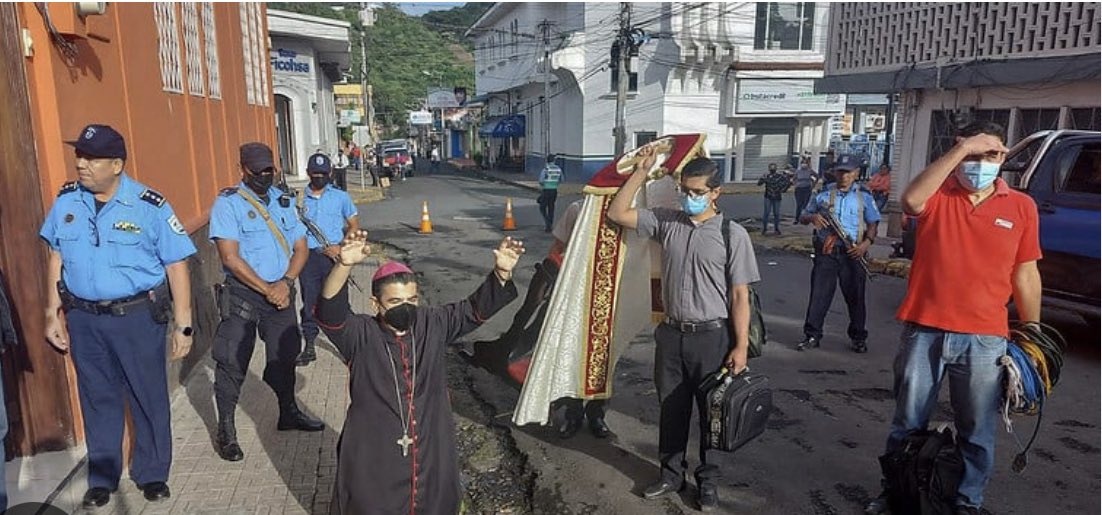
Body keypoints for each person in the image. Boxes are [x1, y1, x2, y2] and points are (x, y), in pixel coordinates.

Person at [865, 122, 1036, 515]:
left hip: (985, 338)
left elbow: (1026, 273)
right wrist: (963, 149)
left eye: (989, 155)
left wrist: (1033, 331)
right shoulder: (939, 192)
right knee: (907, 422)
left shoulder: (1020, 207)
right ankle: (897, 492)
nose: (979, 164)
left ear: (1004, 156)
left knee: (977, 430)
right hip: (924, 330)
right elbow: (910, 201)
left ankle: (967, 500)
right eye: (972, 155)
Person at [39, 124, 196, 507]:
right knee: (97, 398)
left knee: (148, 396)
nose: (81, 164)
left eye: (91, 158)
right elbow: (56, 255)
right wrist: (51, 311)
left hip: (136, 318)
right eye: (79, 155)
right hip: (85, 319)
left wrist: (184, 324)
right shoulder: (67, 202)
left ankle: (152, 473)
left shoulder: (149, 205)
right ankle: (102, 477)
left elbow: (176, 265)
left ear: (117, 164)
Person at [314, 231, 525, 514]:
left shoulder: (432, 323)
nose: (406, 308)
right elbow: (330, 311)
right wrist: (344, 264)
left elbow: (472, 311)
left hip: (429, 440)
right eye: (395, 302)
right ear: (376, 304)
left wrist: (500, 273)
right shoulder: (360, 333)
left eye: (412, 300)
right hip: (374, 447)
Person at [608, 150, 760, 512]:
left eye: (696, 192)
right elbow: (617, 213)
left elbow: (740, 296)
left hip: (713, 337)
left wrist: (740, 347)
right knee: (671, 409)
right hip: (672, 335)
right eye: (684, 191)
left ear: (715, 193)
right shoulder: (667, 222)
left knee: (713, 414)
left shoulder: (732, 235)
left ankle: (708, 483)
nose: (688, 198)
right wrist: (641, 172)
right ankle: (670, 473)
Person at [208, 142, 324, 462]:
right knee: (231, 361)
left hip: (281, 293)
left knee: (284, 356)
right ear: (243, 169)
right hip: (244, 294)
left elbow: (300, 248)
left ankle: (288, 413)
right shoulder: (227, 204)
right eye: (257, 171)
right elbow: (230, 258)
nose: (264, 176)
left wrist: (285, 283)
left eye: (268, 170)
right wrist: (267, 288)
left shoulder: (283, 201)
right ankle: (226, 430)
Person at [797, 154, 881, 353]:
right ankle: (812, 335)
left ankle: (858, 337)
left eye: (848, 172)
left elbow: (873, 224)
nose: (843, 176)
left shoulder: (864, 197)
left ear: (856, 174)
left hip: (852, 252)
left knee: (855, 297)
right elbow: (803, 216)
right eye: (840, 171)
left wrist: (865, 245)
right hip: (827, 251)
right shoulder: (823, 196)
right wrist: (812, 217)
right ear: (834, 172)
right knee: (819, 295)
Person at [547, 200, 612, 439]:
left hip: (607, 296)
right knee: (572, 357)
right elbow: (557, 247)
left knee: (603, 359)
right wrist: (551, 285)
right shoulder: (577, 209)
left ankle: (597, 415)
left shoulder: (625, 211)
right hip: (575, 294)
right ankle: (572, 415)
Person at [294, 153, 359, 366]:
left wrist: (339, 247)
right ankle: (310, 345)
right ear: (308, 173)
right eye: (315, 173)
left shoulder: (341, 197)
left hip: (334, 257)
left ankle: (349, 346)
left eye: (323, 173)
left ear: (330, 173)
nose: (319, 176)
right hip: (309, 258)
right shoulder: (299, 199)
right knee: (309, 301)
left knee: (339, 301)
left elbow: (354, 226)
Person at [757, 163, 792, 235]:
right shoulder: (766, 176)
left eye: (773, 168)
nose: (772, 169)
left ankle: (776, 229)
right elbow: (759, 183)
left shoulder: (779, 176)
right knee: (766, 213)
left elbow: (787, 183)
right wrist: (762, 178)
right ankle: (764, 229)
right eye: (771, 168)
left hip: (777, 197)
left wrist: (786, 185)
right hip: (768, 197)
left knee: (776, 214)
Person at [537, 155, 563, 232]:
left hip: (546, 190)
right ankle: (550, 224)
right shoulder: (558, 169)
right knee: (551, 207)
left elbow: (541, 181)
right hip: (554, 190)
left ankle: (548, 223)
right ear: (554, 161)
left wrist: (544, 184)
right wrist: (555, 184)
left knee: (542, 207)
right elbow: (562, 179)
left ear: (547, 161)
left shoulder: (546, 169)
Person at [793, 157, 818, 223]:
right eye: (803, 163)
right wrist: (795, 185)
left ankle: (803, 218)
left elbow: (817, 176)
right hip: (799, 189)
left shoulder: (809, 171)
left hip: (807, 188)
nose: (804, 164)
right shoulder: (798, 171)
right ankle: (797, 218)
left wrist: (813, 185)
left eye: (805, 163)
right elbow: (794, 178)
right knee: (799, 204)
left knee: (805, 204)